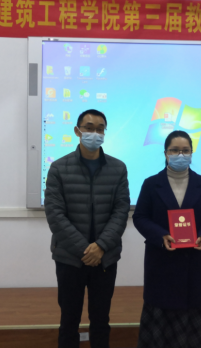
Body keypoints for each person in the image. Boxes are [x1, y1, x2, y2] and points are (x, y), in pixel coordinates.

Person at [44, 109, 130, 348]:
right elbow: (55, 215)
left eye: (100, 129)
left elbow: (121, 211)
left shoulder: (118, 168)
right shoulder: (59, 168)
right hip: (70, 259)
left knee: (101, 320)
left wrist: (100, 247)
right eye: (89, 128)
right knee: (69, 320)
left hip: (105, 258)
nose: (95, 133)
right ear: (77, 131)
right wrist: (85, 249)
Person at [133, 130, 201, 348]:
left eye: (185, 150)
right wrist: (160, 235)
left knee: (191, 326)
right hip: (161, 261)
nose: (180, 155)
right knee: (159, 325)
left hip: (193, 262)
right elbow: (140, 217)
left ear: (191, 153)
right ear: (165, 153)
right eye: (174, 150)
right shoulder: (151, 184)